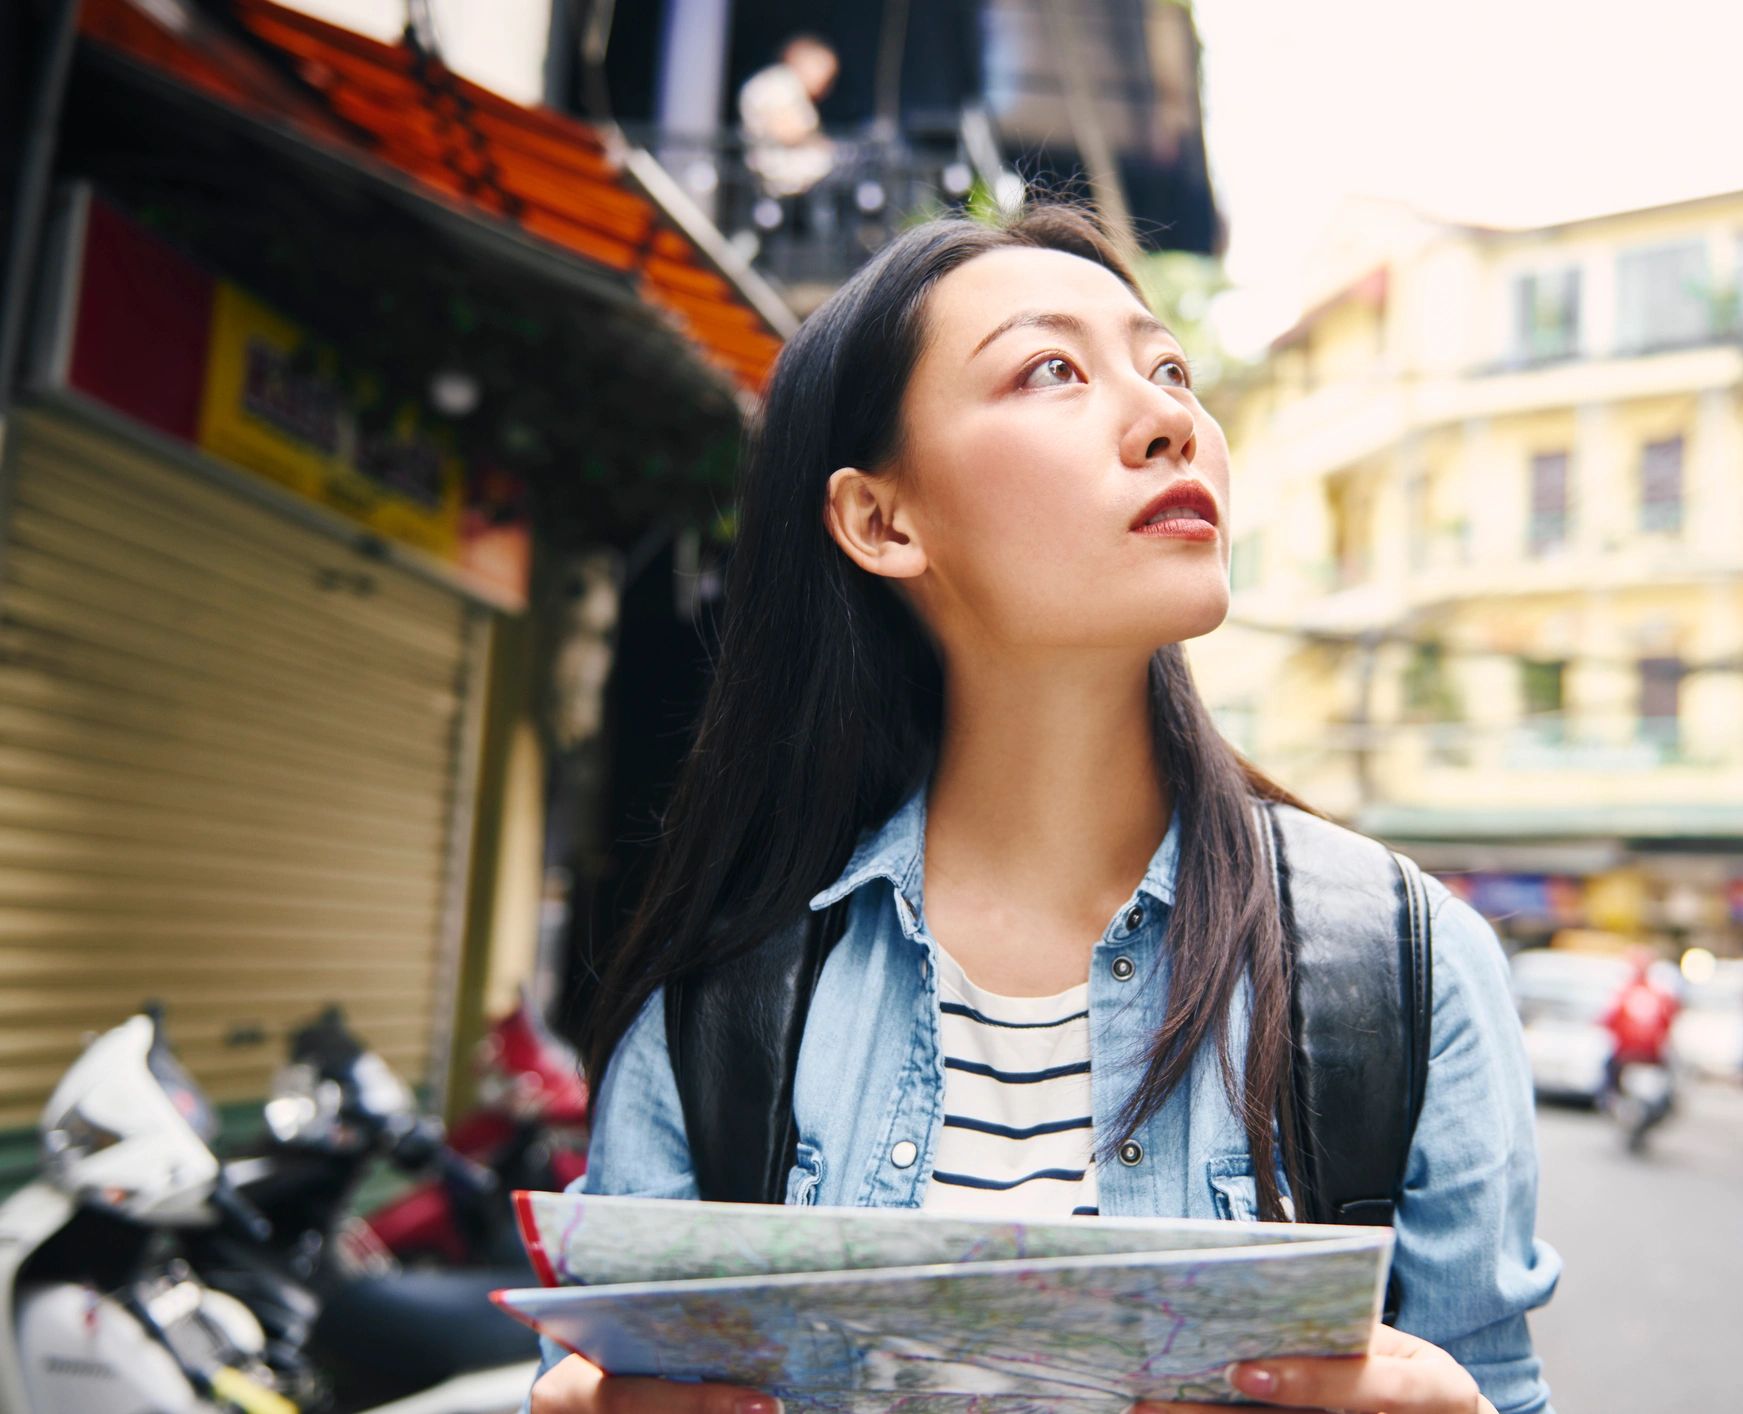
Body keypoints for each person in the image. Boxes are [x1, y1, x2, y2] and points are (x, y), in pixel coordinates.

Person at [526, 203, 1559, 1414]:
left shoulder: (1402, 966)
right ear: (880, 519)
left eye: (1169, 368)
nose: (1171, 417)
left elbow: (1492, 1387)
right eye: (1050, 368)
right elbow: (597, 1384)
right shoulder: (722, 1005)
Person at [738, 34, 839, 200]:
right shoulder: (778, 85)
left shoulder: (791, 87)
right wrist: (819, 143)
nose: (827, 80)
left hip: (796, 183)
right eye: (823, 67)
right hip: (781, 182)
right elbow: (785, 131)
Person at [1598, 953, 1677, 1103]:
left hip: (1639, 1054)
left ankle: (1609, 1097)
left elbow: (1609, 1019)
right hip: (1643, 1054)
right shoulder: (1656, 993)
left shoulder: (1627, 992)